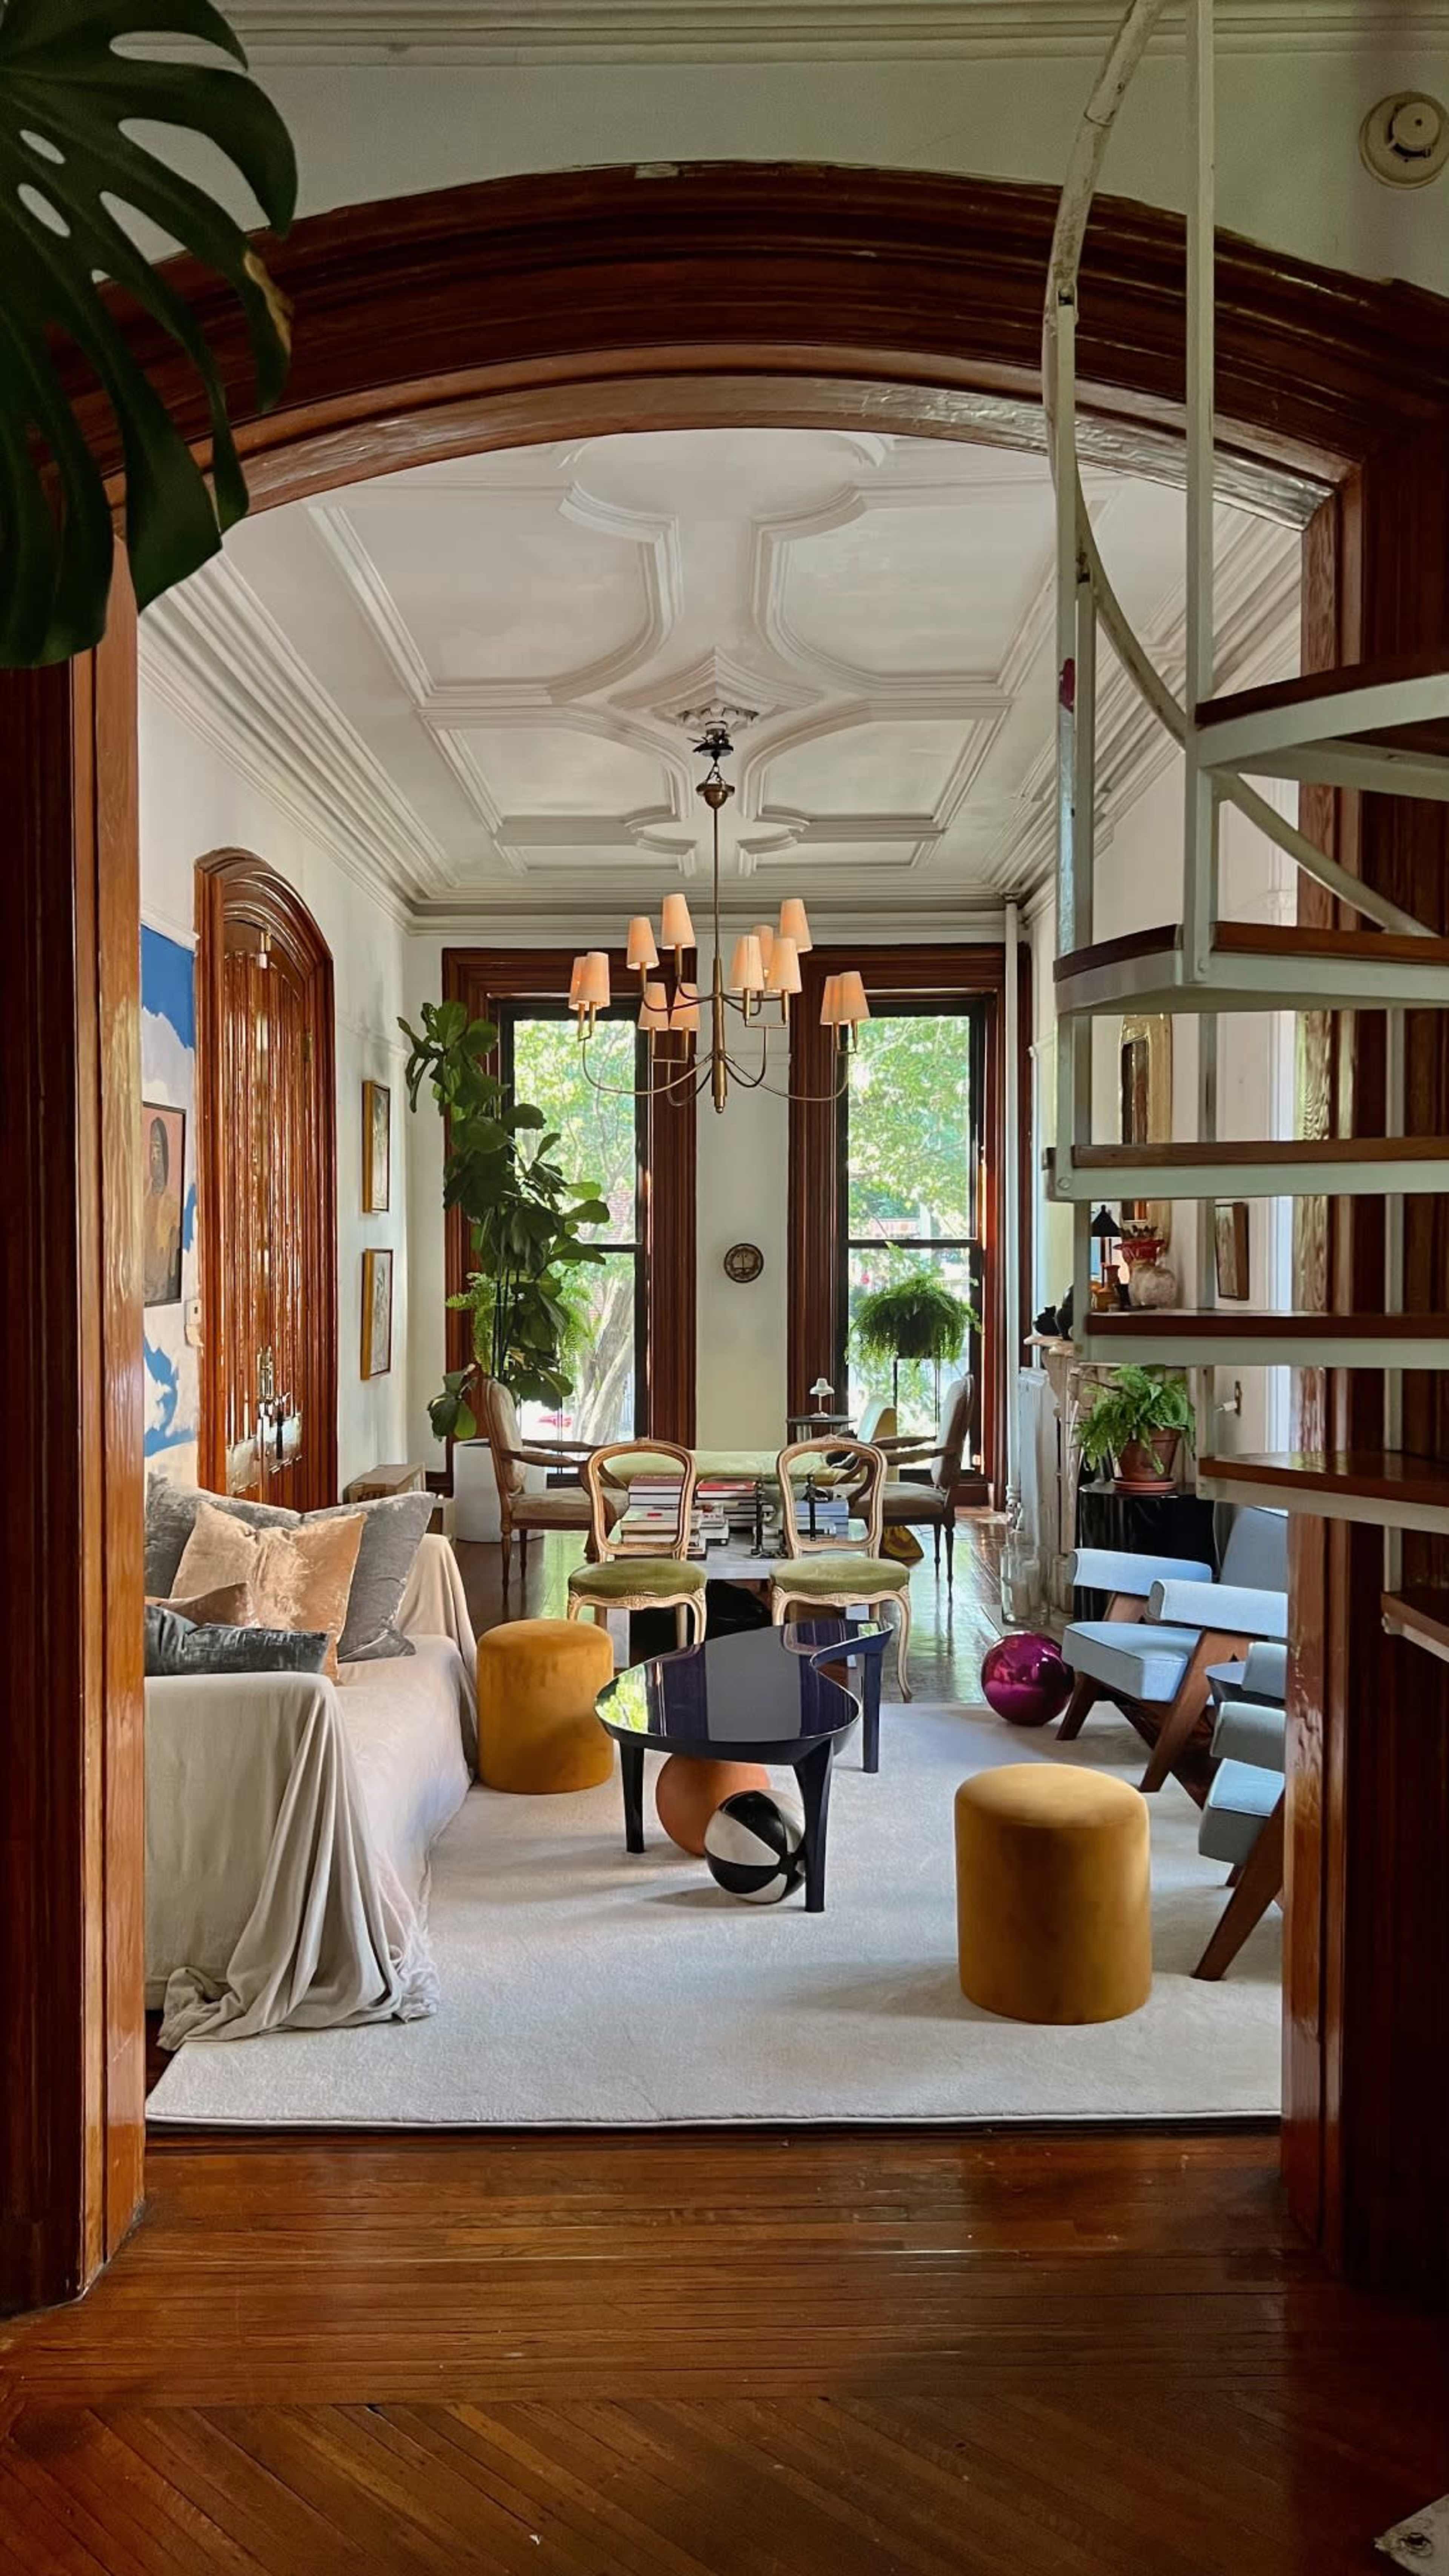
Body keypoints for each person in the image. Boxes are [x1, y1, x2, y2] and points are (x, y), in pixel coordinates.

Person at [143, 1112, 182, 1304]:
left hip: (160, 1294)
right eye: (151, 1148)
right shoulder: (141, 1196)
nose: (153, 1156)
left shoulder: (173, 1206)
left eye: (158, 1149)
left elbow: (174, 1269)